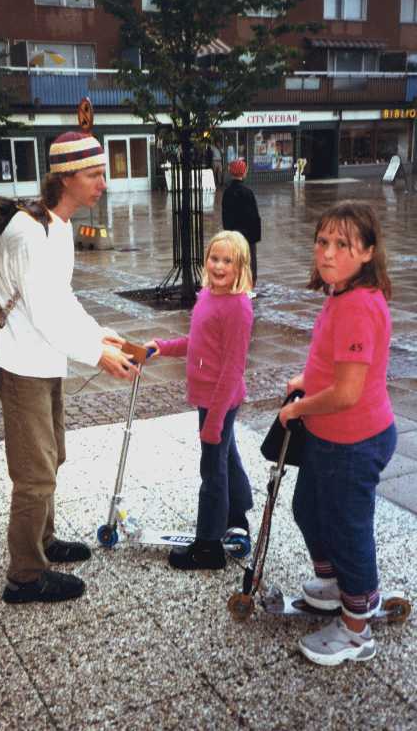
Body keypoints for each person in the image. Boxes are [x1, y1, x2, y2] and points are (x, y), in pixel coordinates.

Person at [0, 131, 138, 605]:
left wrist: (98, 335)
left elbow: (62, 299)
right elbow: (44, 313)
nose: (103, 184)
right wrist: (98, 356)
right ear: (66, 177)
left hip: (42, 359)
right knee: (34, 473)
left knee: (52, 459)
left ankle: (45, 542)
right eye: (95, 175)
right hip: (19, 363)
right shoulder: (28, 234)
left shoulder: (58, 224)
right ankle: (26, 577)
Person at [279, 200, 396, 666]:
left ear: (367, 251)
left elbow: (348, 393)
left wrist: (300, 409)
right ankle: (333, 586)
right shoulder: (341, 295)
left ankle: (356, 626)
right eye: (322, 241)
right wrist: (307, 380)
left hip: (353, 440)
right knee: (309, 508)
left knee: (348, 530)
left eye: (342, 244)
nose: (327, 253)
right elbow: (341, 365)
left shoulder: (357, 307)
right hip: (330, 437)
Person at [146, 231, 254, 570]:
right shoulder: (208, 295)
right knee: (226, 456)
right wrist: (163, 347)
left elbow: (233, 367)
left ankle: (208, 546)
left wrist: (214, 421)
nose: (219, 266)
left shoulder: (237, 307)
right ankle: (237, 512)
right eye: (214, 258)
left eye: (227, 261)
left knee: (212, 470)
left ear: (240, 267)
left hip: (219, 399)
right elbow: (198, 342)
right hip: (210, 396)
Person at [222, 159, 261, 297]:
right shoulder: (247, 192)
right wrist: (255, 236)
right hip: (248, 236)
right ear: (243, 172)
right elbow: (254, 216)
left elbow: (225, 216)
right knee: (249, 262)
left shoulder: (227, 192)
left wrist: (228, 233)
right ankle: (248, 287)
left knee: (235, 260)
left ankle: (236, 284)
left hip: (233, 235)